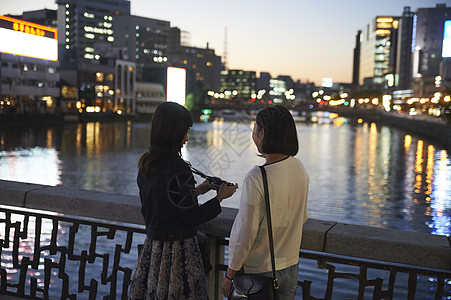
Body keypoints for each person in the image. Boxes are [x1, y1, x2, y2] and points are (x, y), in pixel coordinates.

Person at [129, 102, 238, 299]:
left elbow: (165, 200)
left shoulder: (147, 161)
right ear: (173, 132)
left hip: (152, 251)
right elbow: (192, 217)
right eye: (185, 132)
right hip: (178, 253)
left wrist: (199, 189)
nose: (187, 138)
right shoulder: (178, 167)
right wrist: (220, 197)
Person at [221, 105, 309, 299]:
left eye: (254, 129)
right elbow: (301, 217)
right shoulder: (299, 168)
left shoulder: (257, 177)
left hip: (259, 272)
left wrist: (230, 273)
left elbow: (245, 232)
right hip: (290, 268)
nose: (253, 135)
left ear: (262, 133)